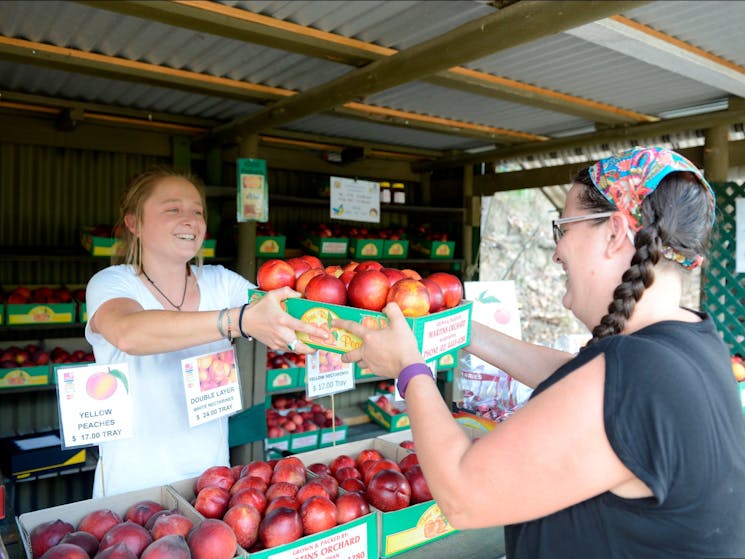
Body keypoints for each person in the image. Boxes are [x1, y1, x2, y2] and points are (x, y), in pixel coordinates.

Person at [334, 146, 745, 558]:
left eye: (564, 227)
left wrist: (408, 368)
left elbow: (462, 495)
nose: (556, 251)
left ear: (616, 233)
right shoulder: (692, 341)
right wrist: (455, 330)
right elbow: (578, 381)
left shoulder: (634, 372)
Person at [85, 166, 324, 497]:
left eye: (198, 211)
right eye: (173, 209)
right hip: (132, 492)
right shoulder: (112, 282)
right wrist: (238, 321)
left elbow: (279, 315)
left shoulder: (220, 282)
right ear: (134, 223)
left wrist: (325, 331)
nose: (191, 220)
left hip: (211, 486)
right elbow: (129, 333)